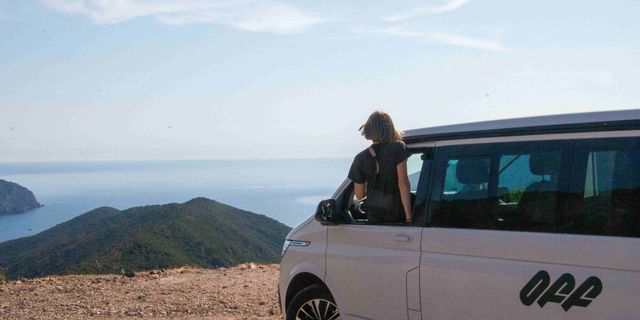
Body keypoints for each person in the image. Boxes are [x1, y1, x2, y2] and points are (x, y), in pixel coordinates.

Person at [348, 111, 413, 224]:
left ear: (369, 130)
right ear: (389, 128)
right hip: (397, 216)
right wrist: (409, 217)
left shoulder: (360, 158)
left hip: (374, 219)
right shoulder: (398, 148)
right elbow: (403, 185)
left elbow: (359, 195)